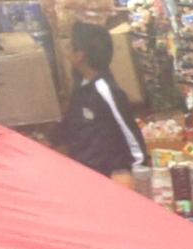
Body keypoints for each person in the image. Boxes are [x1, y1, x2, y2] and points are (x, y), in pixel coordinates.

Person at [55, 22, 147, 183]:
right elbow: (71, 125)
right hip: (85, 174)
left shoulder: (106, 90)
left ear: (80, 55)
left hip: (108, 176)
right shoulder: (81, 87)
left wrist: (136, 169)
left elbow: (129, 131)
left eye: (70, 47)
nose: (66, 52)